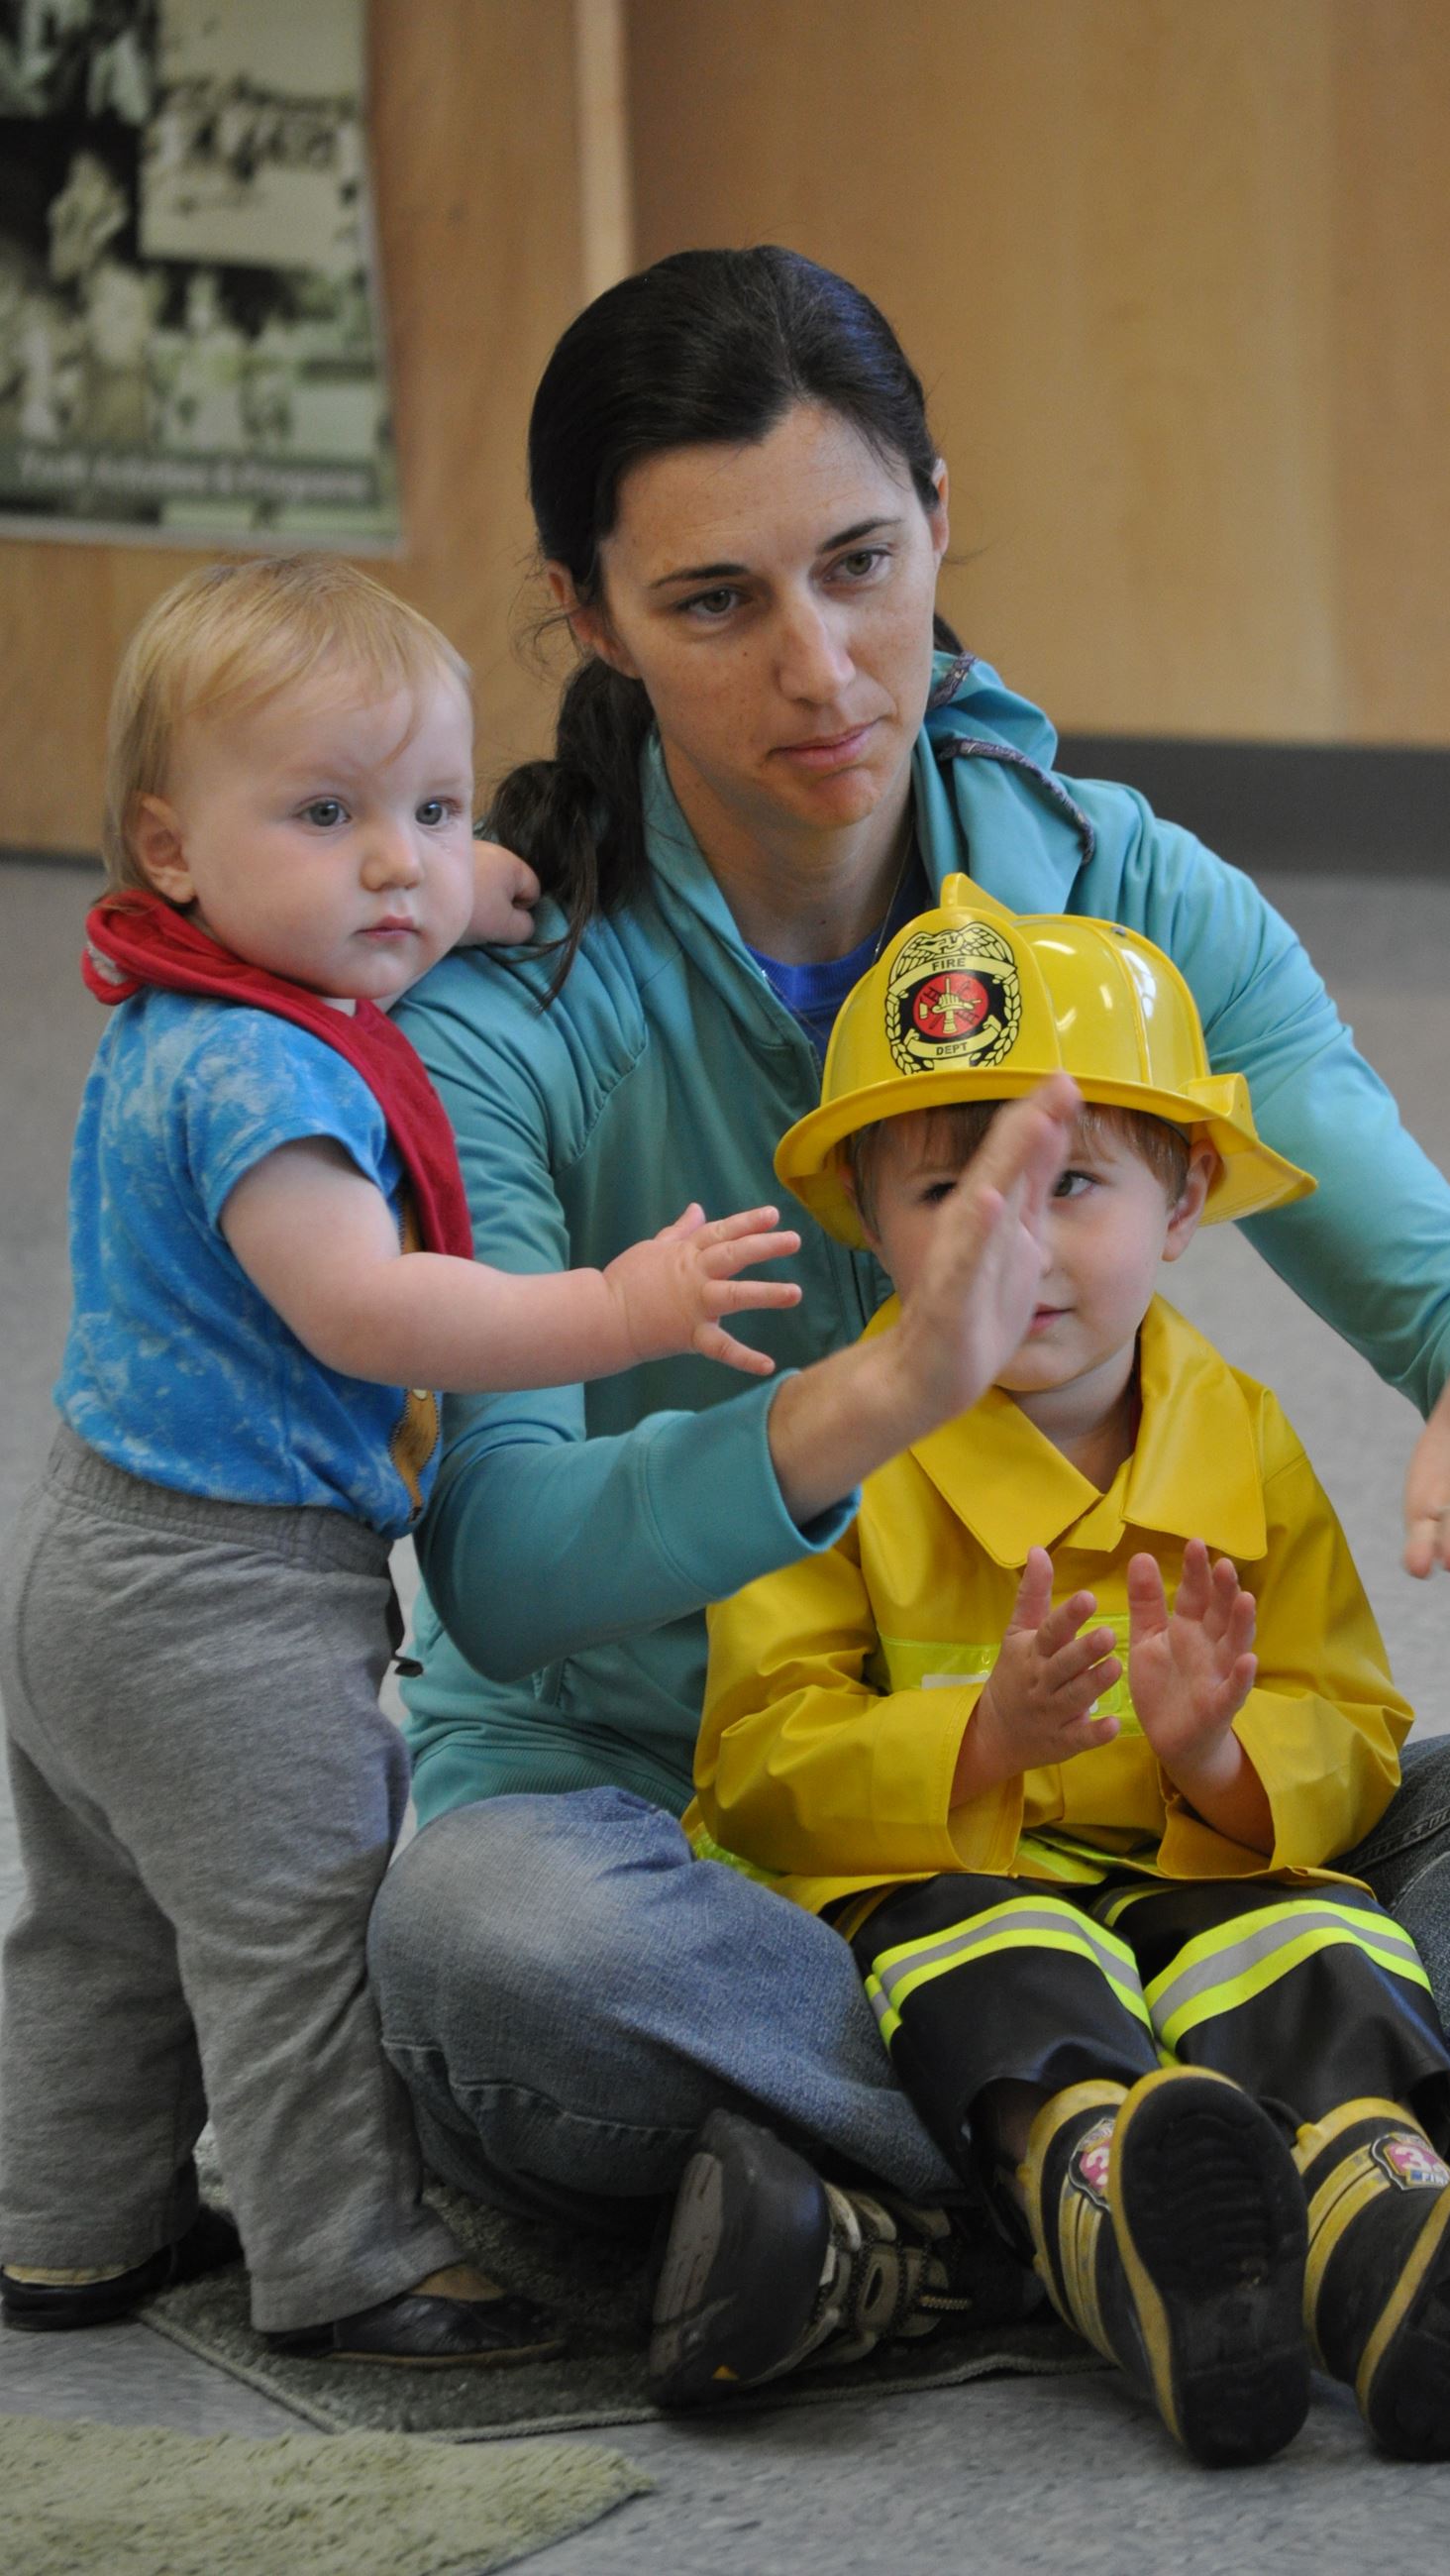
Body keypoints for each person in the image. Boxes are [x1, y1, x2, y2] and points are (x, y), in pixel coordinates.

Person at [366, 245, 1450, 2393]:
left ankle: (907, 2224)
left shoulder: (1131, 890)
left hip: (1178, 1845)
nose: (823, 667)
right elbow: (506, 1581)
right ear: (588, 612)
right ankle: (1308, 2153)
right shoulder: (509, 1009)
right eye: (717, 603)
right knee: (482, 1946)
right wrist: (877, 1393)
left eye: (863, 563)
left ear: (940, 514)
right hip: (701, 1841)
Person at [674, 878, 1450, 2460]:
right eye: (947, 1196)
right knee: (1001, 1978)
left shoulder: (1242, 1437)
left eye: (1074, 1185)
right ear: (867, 1213)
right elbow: (753, 1772)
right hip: (943, 1892)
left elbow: (1353, 1725)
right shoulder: (832, 1447)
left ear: (1187, 1199)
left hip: (1205, 1875)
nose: (1018, 1246)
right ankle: (1130, 2237)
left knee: (1324, 1945)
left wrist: (1220, 1757)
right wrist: (978, 1744)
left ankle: (1393, 2249)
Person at [0, 554, 812, 2360]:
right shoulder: (269, 1088)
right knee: (295, 1933)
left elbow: (402, 893)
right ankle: (347, 2261)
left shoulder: (189, 1003)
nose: (396, 866)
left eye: (430, 809)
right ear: (170, 845)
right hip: (221, 1595)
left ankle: (64, 2230)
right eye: (328, 812)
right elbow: (369, 1312)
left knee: (104, 1923)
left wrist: (473, 882)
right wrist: (611, 1309)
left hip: (85, 1557)